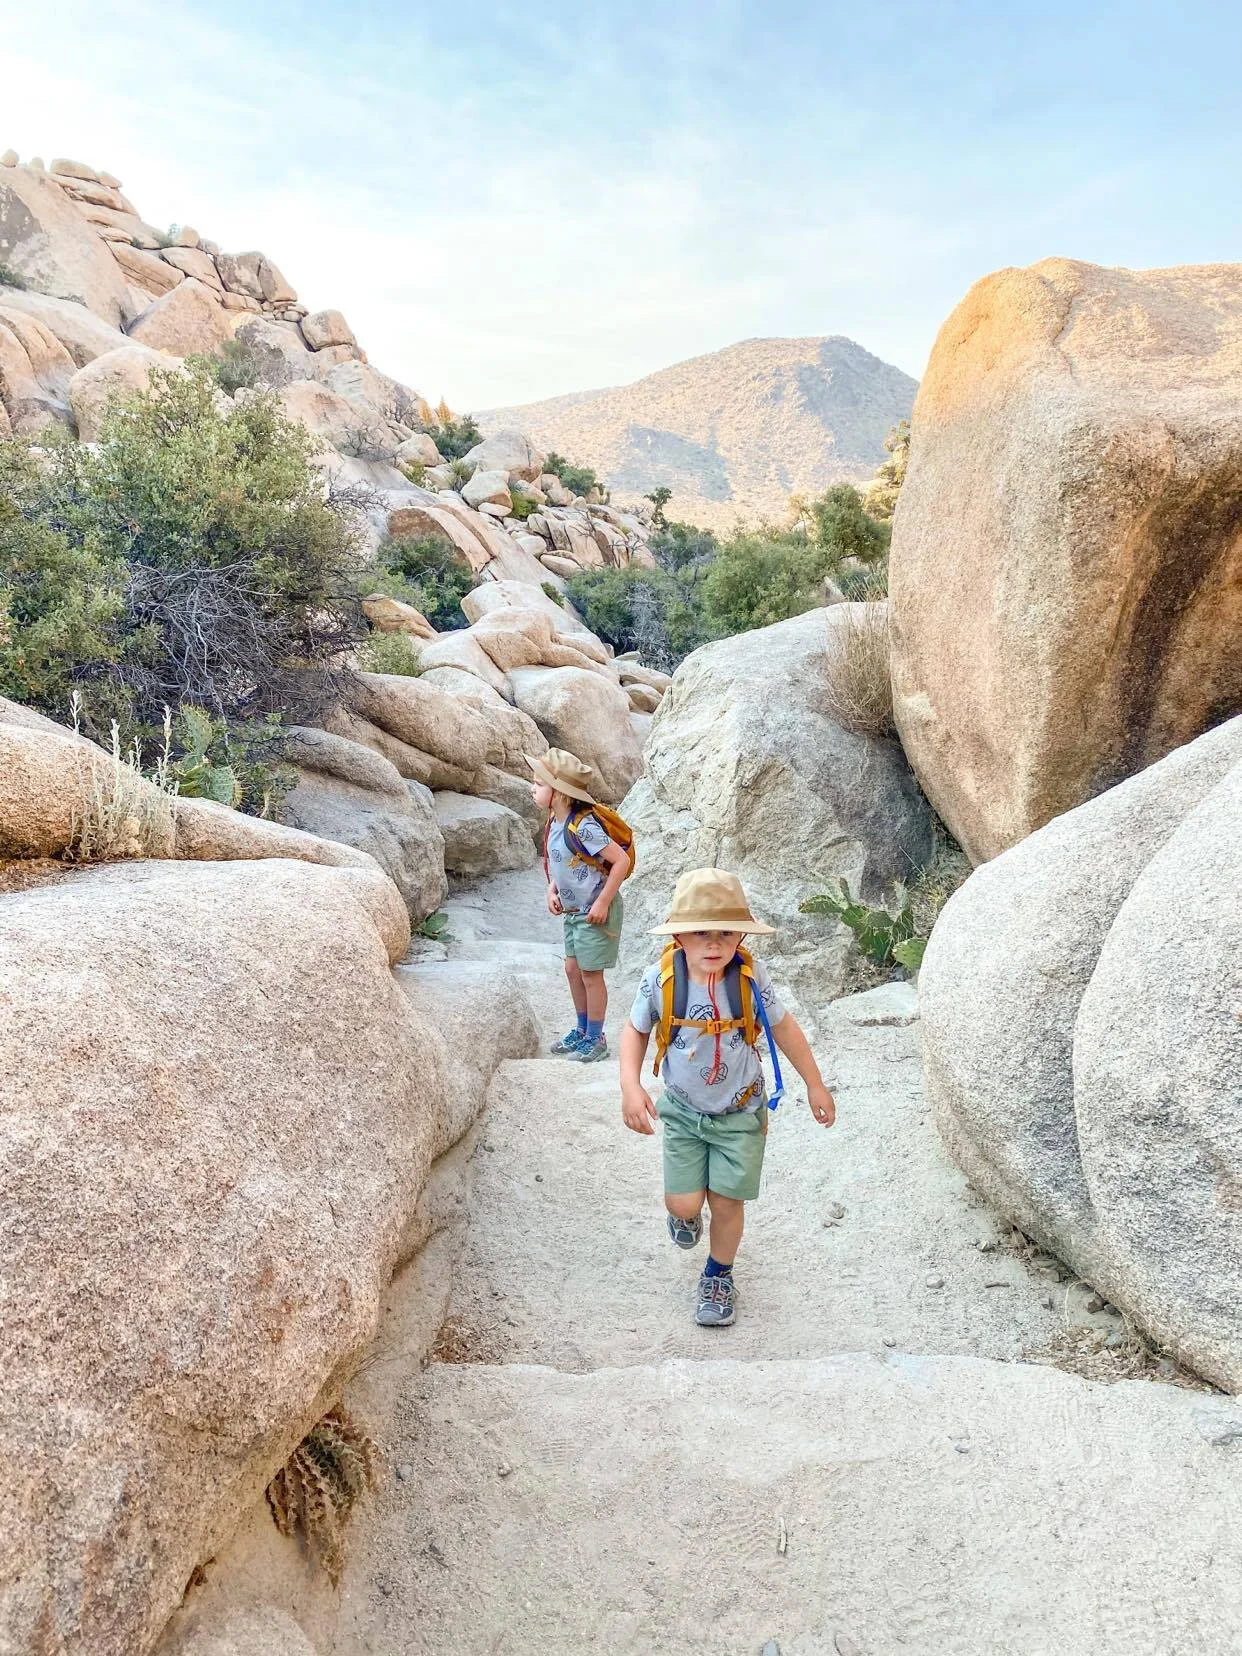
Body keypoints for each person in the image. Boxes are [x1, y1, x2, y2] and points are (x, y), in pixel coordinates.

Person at [620, 867, 836, 1326]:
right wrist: (630, 1086)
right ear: (679, 936)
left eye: (726, 933)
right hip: (683, 1110)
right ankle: (685, 1216)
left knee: (726, 1202)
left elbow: (783, 1027)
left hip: (741, 1112)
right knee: (682, 1203)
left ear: (741, 935)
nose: (715, 944)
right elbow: (635, 1031)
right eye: (702, 932)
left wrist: (814, 1083)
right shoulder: (661, 979)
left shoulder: (750, 978)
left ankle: (718, 1275)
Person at [530, 748, 629, 1064]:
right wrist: (552, 890)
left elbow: (621, 861)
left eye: (538, 784)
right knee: (573, 970)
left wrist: (603, 902)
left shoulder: (583, 826)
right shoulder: (554, 822)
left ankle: (596, 1037)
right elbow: (561, 865)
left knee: (590, 974)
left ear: (559, 792)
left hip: (594, 912)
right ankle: (582, 1029)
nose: (532, 788)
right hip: (574, 913)